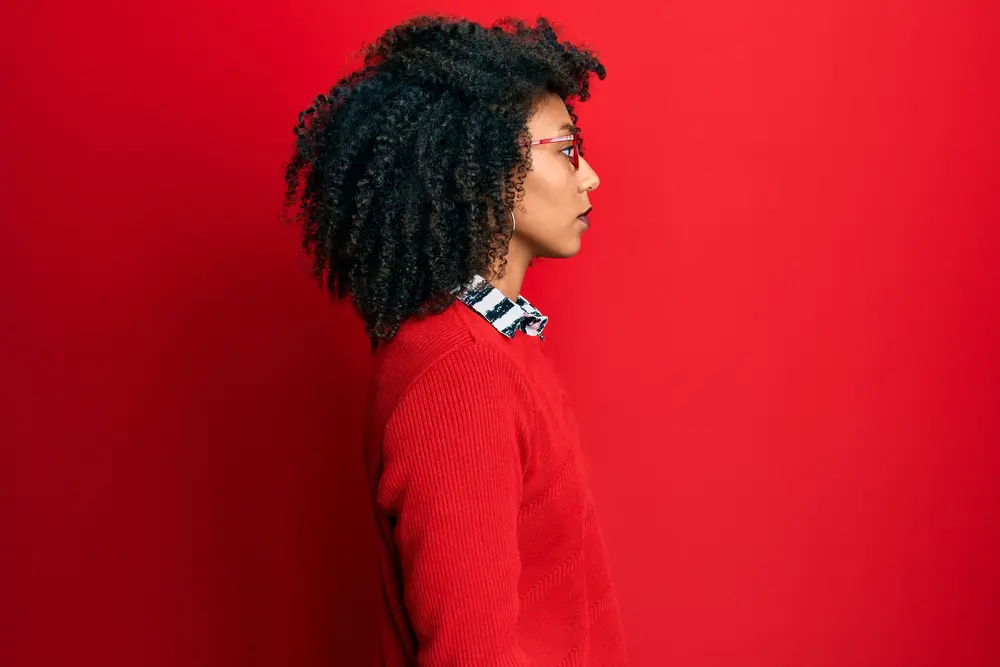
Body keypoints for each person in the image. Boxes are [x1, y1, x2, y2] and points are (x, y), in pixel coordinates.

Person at [281, 14, 627, 666]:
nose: (589, 177)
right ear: (485, 167)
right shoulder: (459, 374)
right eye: (566, 149)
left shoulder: (495, 340)